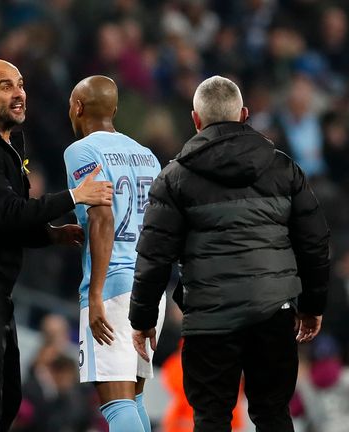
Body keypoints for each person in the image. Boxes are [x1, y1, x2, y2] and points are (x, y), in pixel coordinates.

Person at [129, 75, 330, 431]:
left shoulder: (175, 178)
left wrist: (142, 319)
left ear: (195, 119)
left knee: (211, 418)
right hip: (273, 311)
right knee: (273, 414)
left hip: (209, 317)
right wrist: (313, 305)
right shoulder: (283, 168)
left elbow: (154, 255)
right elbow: (314, 242)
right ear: (244, 114)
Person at [0, 59, 113, 431]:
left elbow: (8, 223)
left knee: (8, 398)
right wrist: (74, 196)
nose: (18, 94)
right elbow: (9, 213)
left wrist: (52, 233)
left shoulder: (8, 144)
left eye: (20, 84)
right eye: (5, 86)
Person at [63, 75, 165, 432]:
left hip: (113, 286)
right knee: (134, 398)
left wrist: (94, 295)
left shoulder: (82, 150)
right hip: (150, 286)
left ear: (77, 107)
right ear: (115, 110)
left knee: (115, 403)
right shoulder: (148, 156)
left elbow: (102, 216)